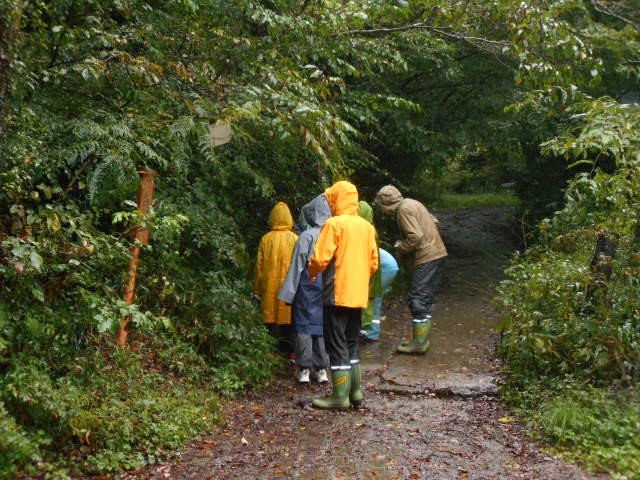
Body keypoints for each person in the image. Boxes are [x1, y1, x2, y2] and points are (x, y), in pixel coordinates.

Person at [308, 181, 379, 409]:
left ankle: (340, 396)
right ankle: (355, 392)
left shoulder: (334, 224)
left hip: (338, 292)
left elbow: (320, 258)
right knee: (351, 342)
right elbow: (373, 263)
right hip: (358, 294)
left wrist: (312, 272)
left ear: (336, 199)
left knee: (336, 342)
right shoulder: (366, 227)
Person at [374, 185, 447, 354]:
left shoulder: (403, 210)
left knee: (417, 298)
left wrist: (401, 248)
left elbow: (415, 236)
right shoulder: (413, 203)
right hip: (437, 253)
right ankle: (423, 340)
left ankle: (419, 344)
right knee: (425, 297)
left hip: (426, 256)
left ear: (386, 204)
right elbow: (435, 221)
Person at [278, 194, 332, 384]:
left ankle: (304, 370)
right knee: (322, 327)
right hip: (326, 286)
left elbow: (296, 266)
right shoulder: (333, 234)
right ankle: (322, 369)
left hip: (306, 286)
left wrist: (288, 294)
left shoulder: (306, 237)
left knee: (303, 326)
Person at [253, 201, 298, 356]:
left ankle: (269, 353)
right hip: (289, 288)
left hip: (269, 287)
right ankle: (289, 353)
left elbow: (259, 266)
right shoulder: (295, 239)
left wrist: (257, 289)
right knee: (288, 319)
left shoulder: (266, 239)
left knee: (269, 318)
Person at [357, 201, 399, 343]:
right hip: (386, 265)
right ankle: (369, 331)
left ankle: (370, 333)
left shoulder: (365, 230)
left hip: (386, 267)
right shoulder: (368, 228)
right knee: (373, 298)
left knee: (373, 297)